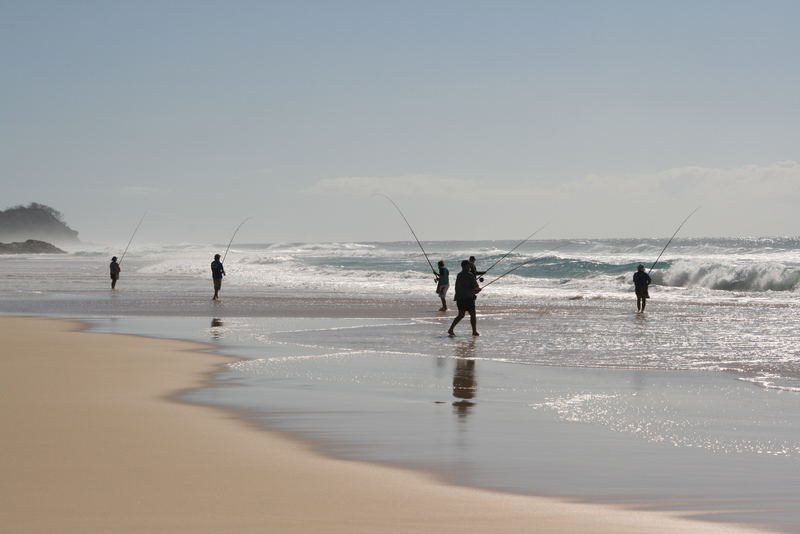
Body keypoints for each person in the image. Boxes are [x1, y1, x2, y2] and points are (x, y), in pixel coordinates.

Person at [448, 260, 481, 336]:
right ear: (465, 266)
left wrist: (474, 290)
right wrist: (477, 290)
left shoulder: (459, 275)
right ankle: (474, 331)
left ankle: (451, 329)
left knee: (461, 315)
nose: (470, 267)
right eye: (469, 265)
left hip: (459, 298)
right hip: (468, 298)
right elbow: (475, 286)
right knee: (472, 314)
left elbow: (460, 287)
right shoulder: (470, 275)